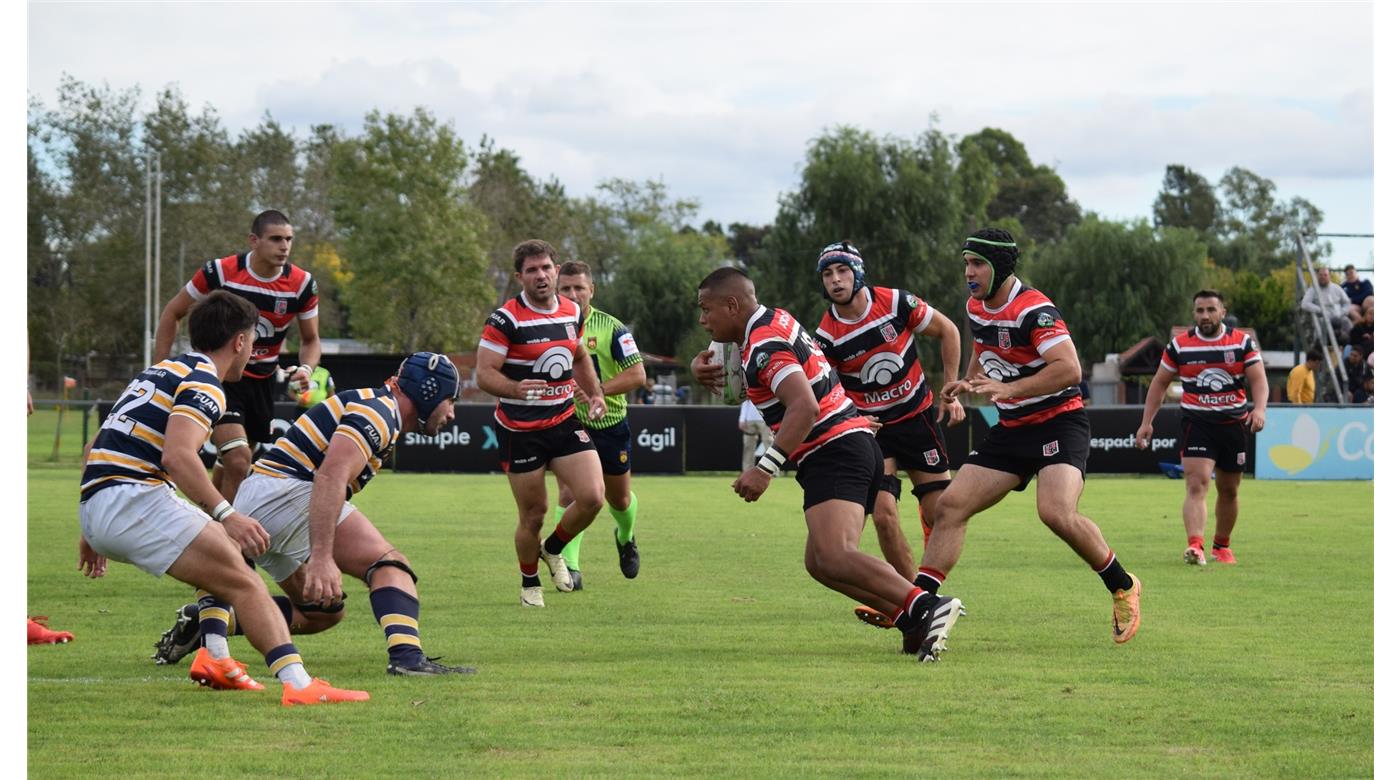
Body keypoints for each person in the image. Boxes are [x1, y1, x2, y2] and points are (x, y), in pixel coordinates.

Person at [80, 290, 366, 705]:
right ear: (239, 342)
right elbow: (177, 455)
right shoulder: (205, 384)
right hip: (134, 499)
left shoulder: (156, 372)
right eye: (253, 341)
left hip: (99, 502)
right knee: (246, 581)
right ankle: (300, 685)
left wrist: (91, 528)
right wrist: (227, 513)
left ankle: (215, 658)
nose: (254, 351)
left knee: (220, 569)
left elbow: (96, 447)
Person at [690, 267, 961, 663]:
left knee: (835, 554)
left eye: (705, 309)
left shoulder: (763, 344)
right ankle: (911, 618)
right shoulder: (772, 320)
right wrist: (703, 371)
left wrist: (764, 469)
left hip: (835, 450)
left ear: (732, 305)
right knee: (819, 562)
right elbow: (760, 381)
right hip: (850, 443)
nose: (702, 319)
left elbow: (804, 405)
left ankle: (924, 605)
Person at [151, 353, 474, 677]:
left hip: (264, 496)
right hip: (284, 492)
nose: (452, 413)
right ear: (429, 391)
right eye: (450, 401)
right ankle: (407, 658)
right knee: (389, 564)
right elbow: (329, 477)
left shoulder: (376, 407)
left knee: (321, 612)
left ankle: (209, 623)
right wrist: (321, 557)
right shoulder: (380, 412)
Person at [917, 228, 1142, 646]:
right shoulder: (976, 305)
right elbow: (982, 344)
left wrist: (1012, 389)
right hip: (1012, 429)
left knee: (1055, 512)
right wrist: (969, 381)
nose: (969, 272)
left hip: (1059, 423)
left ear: (1000, 266)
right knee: (949, 507)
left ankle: (1122, 584)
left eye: (977, 264)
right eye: (966, 263)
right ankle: (918, 606)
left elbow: (1070, 369)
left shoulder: (1034, 310)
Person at [811, 241, 964, 630]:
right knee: (883, 516)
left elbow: (947, 330)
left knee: (941, 511)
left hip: (916, 418)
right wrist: (855, 416)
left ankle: (924, 593)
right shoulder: (825, 334)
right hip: (873, 433)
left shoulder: (896, 303)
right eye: (828, 275)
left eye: (841, 271)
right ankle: (917, 601)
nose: (835, 280)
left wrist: (951, 387)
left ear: (857, 272)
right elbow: (828, 386)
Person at [475, 240, 609, 608]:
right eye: (532, 270)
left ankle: (553, 549)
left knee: (594, 497)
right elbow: (484, 374)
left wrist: (594, 393)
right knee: (533, 515)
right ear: (519, 277)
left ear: (555, 269)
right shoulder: (506, 319)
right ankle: (529, 581)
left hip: (563, 420)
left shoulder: (570, 311)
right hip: (520, 431)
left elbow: (579, 355)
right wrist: (516, 387)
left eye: (547, 267)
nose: (541, 275)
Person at [155, 210, 321, 503]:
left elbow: (311, 340)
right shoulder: (220, 272)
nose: (284, 246)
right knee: (239, 460)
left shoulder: (302, 284)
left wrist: (306, 368)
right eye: (276, 239)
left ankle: (208, 526)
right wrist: (160, 368)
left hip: (263, 383)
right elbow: (173, 312)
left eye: (289, 239)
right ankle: (229, 541)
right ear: (254, 241)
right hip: (220, 379)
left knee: (232, 462)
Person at [1135, 290, 1268, 566]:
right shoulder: (1180, 345)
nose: (1204, 316)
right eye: (1199, 310)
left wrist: (1260, 409)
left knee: (1229, 490)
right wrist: (1147, 422)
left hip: (1233, 425)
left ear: (1222, 311)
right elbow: (1159, 383)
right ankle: (1195, 545)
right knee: (1197, 484)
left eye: (1210, 309)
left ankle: (1222, 546)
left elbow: (1259, 379)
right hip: (1197, 423)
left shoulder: (1241, 342)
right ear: (1193, 313)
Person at [550, 260, 647, 591]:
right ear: (556, 289)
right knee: (569, 493)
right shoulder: (546, 326)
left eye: (579, 288)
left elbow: (638, 374)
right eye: (566, 288)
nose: (573, 294)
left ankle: (625, 536)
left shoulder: (612, 328)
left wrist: (597, 392)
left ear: (592, 290)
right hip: (567, 421)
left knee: (618, 500)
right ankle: (571, 569)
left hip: (611, 423)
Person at [1299, 267, 1352, 341]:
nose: (1322, 277)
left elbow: (1347, 303)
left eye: (1325, 275)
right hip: (1322, 317)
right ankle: (1322, 346)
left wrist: (1341, 312)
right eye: (1320, 275)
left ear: (1329, 276)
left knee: (1346, 321)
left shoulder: (1337, 288)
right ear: (1317, 276)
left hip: (1337, 315)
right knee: (1321, 324)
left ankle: (1350, 345)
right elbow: (1304, 304)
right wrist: (1320, 310)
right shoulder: (1313, 289)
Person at [738, 399, 774, 472]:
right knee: (748, 446)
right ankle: (747, 471)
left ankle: (772, 471)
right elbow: (745, 402)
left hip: (765, 418)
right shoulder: (747, 388)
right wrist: (742, 418)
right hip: (749, 420)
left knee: (768, 443)